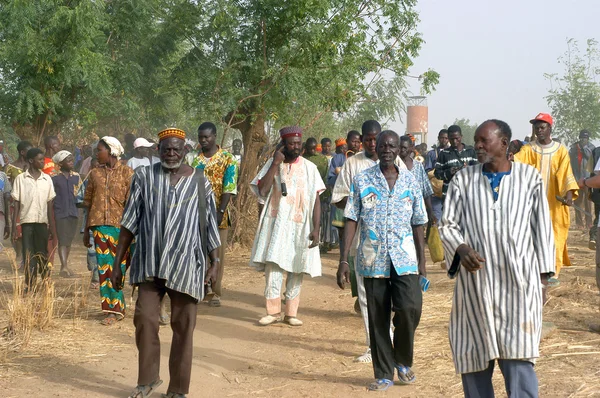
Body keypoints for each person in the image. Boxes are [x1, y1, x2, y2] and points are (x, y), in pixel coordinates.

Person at [438, 120, 555, 398]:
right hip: (476, 285)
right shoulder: (463, 180)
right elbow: (447, 224)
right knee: (475, 354)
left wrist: (542, 280)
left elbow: (543, 229)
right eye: (475, 140)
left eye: (483, 140)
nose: (477, 145)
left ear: (503, 144)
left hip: (519, 286)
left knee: (519, 356)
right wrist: (461, 249)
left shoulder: (529, 179)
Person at [111, 128, 220, 398]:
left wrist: (214, 261)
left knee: (183, 328)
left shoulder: (199, 181)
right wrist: (117, 263)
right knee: (145, 319)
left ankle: (178, 389)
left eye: (176, 149)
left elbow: (209, 226)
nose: (171, 153)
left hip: (186, 265)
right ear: (157, 151)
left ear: (185, 151)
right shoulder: (144, 177)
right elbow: (128, 224)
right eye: (166, 149)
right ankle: (147, 380)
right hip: (149, 263)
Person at [337, 130, 427, 391]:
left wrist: (422, 264)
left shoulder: (410, 181)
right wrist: (344, 260)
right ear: (375, 147)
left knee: (410, 309)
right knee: (378, 317)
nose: (387, 149)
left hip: (405, 258)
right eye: (383, 145)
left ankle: (402, 360)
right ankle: (384, 372)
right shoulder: (363, 179)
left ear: (400, 149)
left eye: (392, 146)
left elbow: (419, 223)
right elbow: (352, 217)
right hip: (372, 258)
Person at [331, 120, 406, 363]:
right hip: (364, 239)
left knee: (396, 296)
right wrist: (360, 202)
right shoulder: (353, 164)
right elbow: (339, 198)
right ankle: (374, 346)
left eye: (377, 139)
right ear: (362, 140)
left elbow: (409, 194)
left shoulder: (397, 162)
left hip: (395, 240)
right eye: (368, 139)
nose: (373, 144)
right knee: (366, 296)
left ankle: (394, 340)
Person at [249, 126, 324, 327]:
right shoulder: (273, 165)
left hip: (300, 225)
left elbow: (316, 200)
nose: (296, 147)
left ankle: (291, 313)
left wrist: (316, 228)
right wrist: (275, 163)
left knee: (297, 266)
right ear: (283, 145)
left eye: (298, 143)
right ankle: (272, 311)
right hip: (276, 224)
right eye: (291, 144)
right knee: (273, 265)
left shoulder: (310, 168)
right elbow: (262, 191)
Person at [515, 113, 579, 283]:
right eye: (536, 128)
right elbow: (515, 164)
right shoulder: (528, 149)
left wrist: (569, 196)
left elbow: (566, 175)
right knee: (531, 236)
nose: (539, 131)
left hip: (554, 204)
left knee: (556, 235)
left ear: (550, 128)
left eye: (542, 127)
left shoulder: (560, 151)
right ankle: (534, 271)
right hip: (531, 204)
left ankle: (553, 272)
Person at [82, 137, 134, 325]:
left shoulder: (128, 173)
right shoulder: (94, 174)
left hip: (122, 228)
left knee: (118, 267)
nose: (97, 154)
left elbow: (132, 204)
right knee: (105, 269)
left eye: (100, 150)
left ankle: (117, 305)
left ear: (111, 151)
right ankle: (112, 310)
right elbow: (88, 203)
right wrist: (86, 230)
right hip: (100, 227)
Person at [186, 122, 238, 307]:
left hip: (219, 214)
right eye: (200, 137)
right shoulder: (194, 160)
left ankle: (215, 292)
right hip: (197, 213)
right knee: (198, 252)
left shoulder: (228, 158)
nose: (203, 140)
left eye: (207, 137)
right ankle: (200, 288)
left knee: (218, 254)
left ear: (215, 136)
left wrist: (220, 211)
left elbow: (229, 187)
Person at [11, 148, 56, 291]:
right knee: (28, 254)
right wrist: (14, 227)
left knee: (42, 253)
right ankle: (29, 284)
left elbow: (50, 206)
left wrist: (52, 228)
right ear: (31, 161)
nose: (43, 162)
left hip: (42, 223)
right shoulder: (21, 179)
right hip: (26, 223)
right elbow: (16, 204)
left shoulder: (47, 179)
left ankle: (45, 282)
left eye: (43, 159)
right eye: (40, 160)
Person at [51, 151, 82, 278]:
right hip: (60, 212)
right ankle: (63, 267)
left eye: (71, 160)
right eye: (68, 161)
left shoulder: (76, 177)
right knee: (63, 240)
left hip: (73, 212)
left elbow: (80, 194)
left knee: (68, 240)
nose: (71, 163)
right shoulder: (54, 178)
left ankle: (65, 265)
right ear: (60, 163)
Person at [6, 140, 33, 267]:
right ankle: (19, 256)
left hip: (31, 202)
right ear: (22, 152)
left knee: (29, 229)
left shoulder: (33, 166)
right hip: (15, 203)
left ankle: (27, 258)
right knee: (17, 229)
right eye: (29, 150)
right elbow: (6, 186)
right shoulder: (11, 167)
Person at [303, 138, 333, 253]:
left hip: (319, 192)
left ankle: (320, 241)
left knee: (321, 219)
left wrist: (324, 193)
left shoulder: (322, 159)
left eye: (314, 148)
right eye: (310, 148)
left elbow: (325, 176)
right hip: (305, 192)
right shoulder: (302, 159)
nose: (312, 150)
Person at [399, 136, 435, 224]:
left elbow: (426, 190)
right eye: (400, 147)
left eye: (405, 147)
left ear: (411, 148)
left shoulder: (418, 166)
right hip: (399, 213)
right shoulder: (393, 166)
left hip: (416, 212)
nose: (402, 150)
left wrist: (430, 211)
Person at [434, 125, 477, 199]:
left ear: (461, 136)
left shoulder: (471, 151)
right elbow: (437, 174)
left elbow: (478, 172)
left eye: (457, 138)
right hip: (449, 196)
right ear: (449, 138)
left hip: (469, 195)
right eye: (451, 139)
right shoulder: (444, 154)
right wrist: (448, 172)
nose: (454, 141)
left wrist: (468, 170)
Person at [569, 130, 594, 229]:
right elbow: (569, 159)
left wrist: (584, 148)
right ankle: (579, 224)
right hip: (576, 178)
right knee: (577, 202)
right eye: (582, 138)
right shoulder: (574, 148)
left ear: (588, 139)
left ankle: (589, 223)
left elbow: (590, 156)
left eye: (585, 138)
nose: (583, 139)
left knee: (588, 203)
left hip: (587, 179)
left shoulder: (591, 147)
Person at [425, 129, 449, 226]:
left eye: (446, 138)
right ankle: (434, 240)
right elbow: (427, 170)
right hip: (436, 190)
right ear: (438, 138)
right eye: (442, 138)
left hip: (449, 190)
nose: (444, 140)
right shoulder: (432, 154)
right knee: (436, 217)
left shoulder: (452, 153)